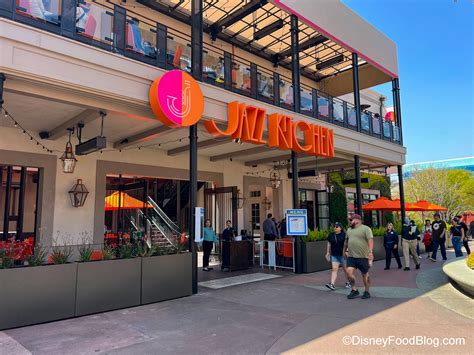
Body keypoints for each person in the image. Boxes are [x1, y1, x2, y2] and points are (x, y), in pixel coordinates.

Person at [343, 214, 373, 299]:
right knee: (349, 272)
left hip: (363, 256)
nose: (349, 222)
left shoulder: (366, 229)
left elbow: (370, 241)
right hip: (351, 257)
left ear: (357, 220)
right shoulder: (349, 230)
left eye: (351, 220)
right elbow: (346, 242)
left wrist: (370, 252)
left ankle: (367, 291)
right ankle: (354, 290)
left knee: (365, 274)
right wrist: (344, 251)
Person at [325, 222, 351, 290]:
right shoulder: (331, 235)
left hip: (343, 255)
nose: (335, 228)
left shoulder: (344, 235)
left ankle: (349, 282)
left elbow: (348, 243)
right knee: (334, 269)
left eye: (337, 227)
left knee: (346, 270)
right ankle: (332, 284)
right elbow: (329, 243)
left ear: (340, 228)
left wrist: (347, 251)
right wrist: (327, 252)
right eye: (334, 226)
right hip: (334, 255)